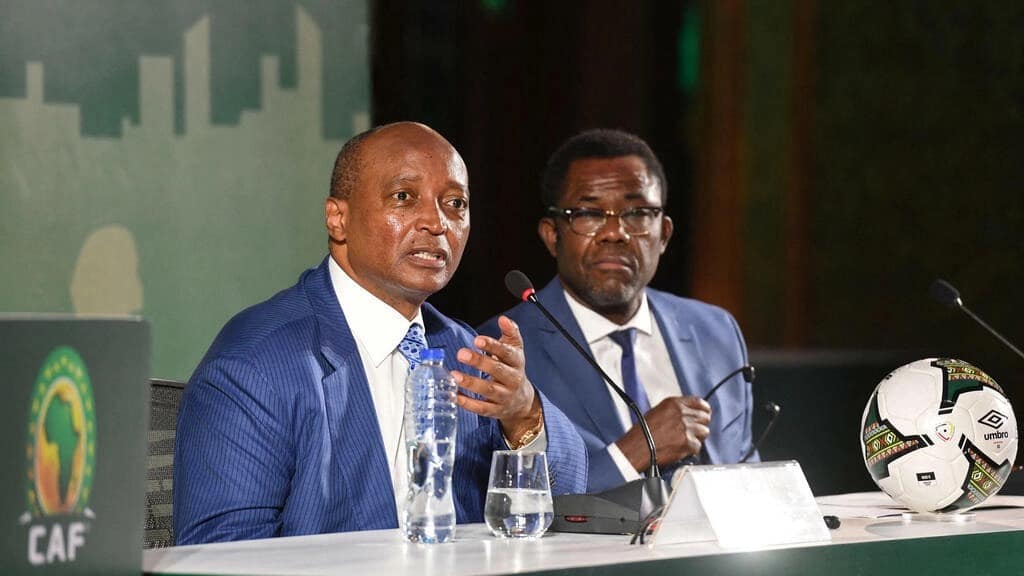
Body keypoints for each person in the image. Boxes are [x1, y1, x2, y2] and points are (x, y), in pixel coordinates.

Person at [174, 122, 587, 544]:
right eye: (404, 197)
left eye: (455, 203)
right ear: (339, 218)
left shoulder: (464, 353)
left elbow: (570, 504)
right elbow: (223, 552)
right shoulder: (257, 361)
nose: (436, 222)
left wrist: (522, 412)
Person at [479, 129, 755, 494]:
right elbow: (515, 499)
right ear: (552, 235)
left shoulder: (716, 331)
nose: (615, 232)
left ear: (664, 234)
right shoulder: (504, 351)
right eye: (590, 213)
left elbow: (749, 469)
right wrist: (635, 451)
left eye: (637, 213)